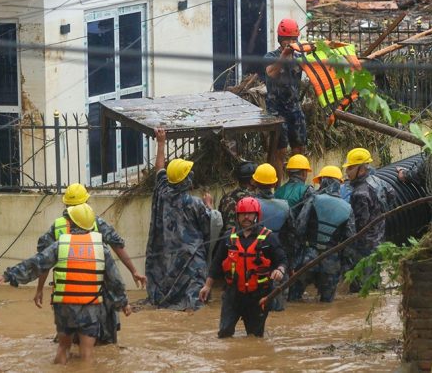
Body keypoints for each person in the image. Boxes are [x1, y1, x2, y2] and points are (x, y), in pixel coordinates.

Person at [0, 203, 132, 365]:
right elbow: (115, 281)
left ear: (72, 223)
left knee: (63, 348)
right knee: (86, 354)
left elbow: (36, 264)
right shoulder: (102, 249)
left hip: (64, 307)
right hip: (90, 307)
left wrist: (8, 275)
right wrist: (123, 303)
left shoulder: (61, 245)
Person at [34, 182, 145, 344]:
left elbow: (44, 262)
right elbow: (117, 246)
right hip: (99, 292)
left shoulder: (56, 228)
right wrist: (133, 271)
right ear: (86, 202)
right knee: (105, 341)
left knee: (71, 342)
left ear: (65, 204)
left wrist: (39, 290)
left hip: (68, 293)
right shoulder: (96, 223)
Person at [145, 128, 217, 311]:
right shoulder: (194, 204)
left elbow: (159, 169)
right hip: (193, 260)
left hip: (168, 261)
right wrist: (210, 205)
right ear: (186, 180)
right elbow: (211, 225)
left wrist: (161, 143)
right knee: (195, 304)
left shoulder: (163, 192)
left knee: (172, 302)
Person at [199, 197, 288, 338]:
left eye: (250, 214)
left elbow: (282, 260)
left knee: (254, 338)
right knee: (224, 334)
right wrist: (207, 286)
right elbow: (216, 264)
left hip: (258, 297)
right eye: (242, 214)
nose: (246, 217)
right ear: (237, 216)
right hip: (232, 296)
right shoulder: (228, 237)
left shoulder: (269, 238)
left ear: (257, 215)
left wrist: (280, 270)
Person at [288, 166, 356, 303]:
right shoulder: (347, 208)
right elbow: (350, 239)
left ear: (323, 182)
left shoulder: (313, 199)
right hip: (331, 261)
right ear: (338, 184)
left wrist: (294, 259)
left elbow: (299, 227)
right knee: (326, 304)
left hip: (308, 258)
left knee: (293, 300)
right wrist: (344, 265)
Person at [344, 147, 396, 292]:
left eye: (350, 168)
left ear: (361, 170)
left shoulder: (359, 193)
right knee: (374, 278)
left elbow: (361, 224)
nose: (347, 172)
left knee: (361, 287)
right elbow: (392, 195)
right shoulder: (378, 181)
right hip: (379, 238)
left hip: (364, 245)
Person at [264, 18, 307, 184]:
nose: (290, 43)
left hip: (294, 108)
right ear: (280, 40)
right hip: (276, 111)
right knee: (279, 151)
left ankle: (299, 186)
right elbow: (271, 73)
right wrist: (284, 56)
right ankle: (278, 187)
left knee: (299, 148)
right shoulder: (270, 56)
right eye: (287, 40)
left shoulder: (299, 58)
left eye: (293, 39)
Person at [251, 163, 295, 311]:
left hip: (254, 258)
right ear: (274, 183)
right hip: (278, 258)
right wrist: (290, 264)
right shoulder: (285, 206)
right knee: (278, 302)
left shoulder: (249, 205)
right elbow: (292, 235)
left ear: (255, 182)